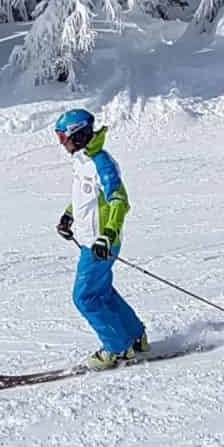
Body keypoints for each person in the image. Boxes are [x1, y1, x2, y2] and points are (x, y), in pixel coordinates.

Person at [54, 107, 148, 368]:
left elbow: (119, 200)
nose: (62, 144)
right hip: (89, 241)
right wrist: (68, 215)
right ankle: (135, 336)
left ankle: (117, 348)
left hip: (100, 243)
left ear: (79, 135)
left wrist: (107, 235)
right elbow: (86, 196)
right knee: (101, 292)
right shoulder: (82, 160)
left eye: (63, 137)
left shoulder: (102, 163)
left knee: (84, 297)